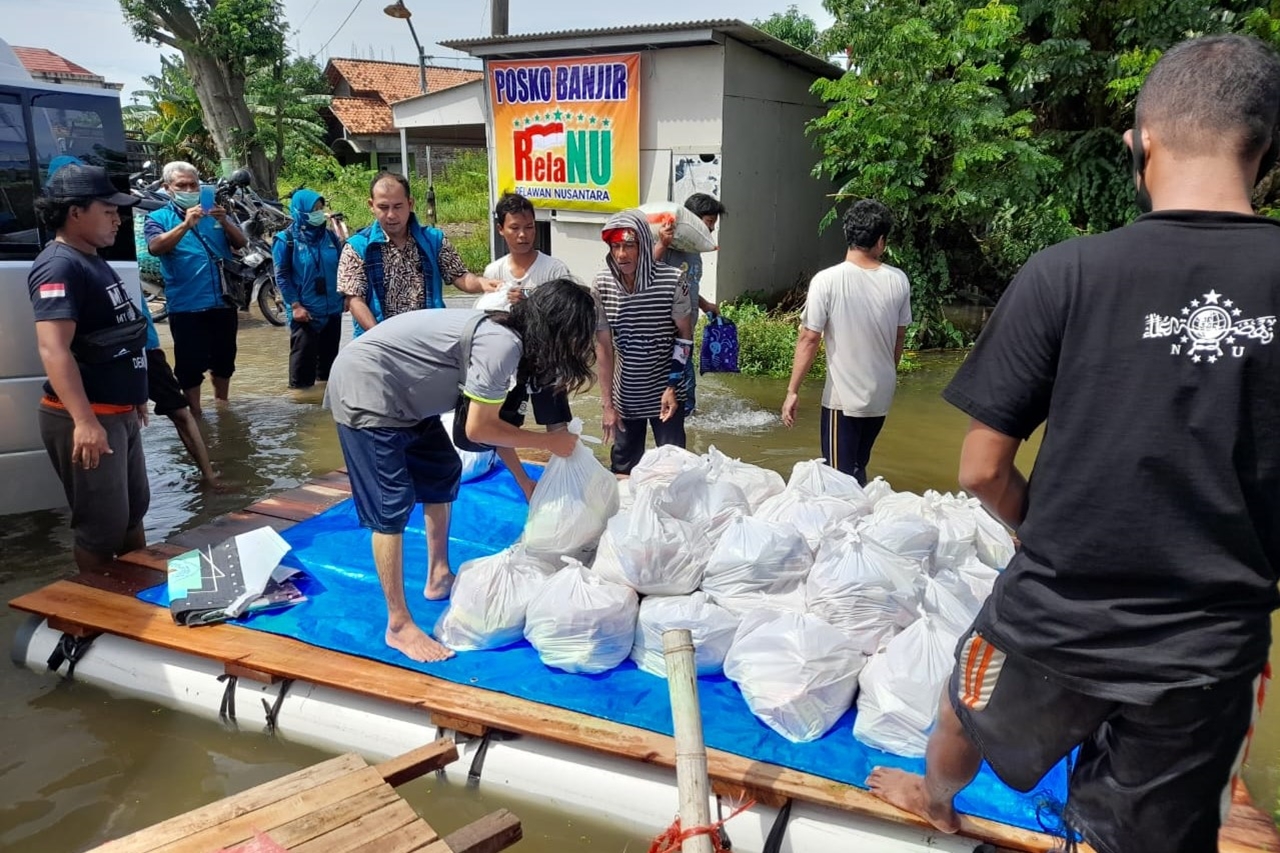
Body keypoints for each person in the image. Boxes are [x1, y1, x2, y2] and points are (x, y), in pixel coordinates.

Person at [866, 35, 1280, 853]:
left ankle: (936, 800)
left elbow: (981, 466)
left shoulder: (1068, 272)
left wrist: (1039, 526)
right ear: (1265, 148)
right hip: (1213, 636)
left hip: (1056, 605)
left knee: (964, 700)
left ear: (1143, 141)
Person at [325, 279, 598, 663]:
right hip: (367, 387)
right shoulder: (503, 345)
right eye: (575, 337)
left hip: (407, 396)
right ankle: (398, 625)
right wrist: (548, 442)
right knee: (391, 505)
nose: (576, 348)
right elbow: (478, 430)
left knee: (442, 468)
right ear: (557, 328)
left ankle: (438, 577)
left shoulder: (511, 342)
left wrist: (526, 484)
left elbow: (494, 424)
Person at [30, 164, 149, 572]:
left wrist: (134, 397)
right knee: (101, 530)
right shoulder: (59, 265)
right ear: (75, 212)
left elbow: (113, 336)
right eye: (108, 209)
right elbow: (54, 348)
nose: (118, 217)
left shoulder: (92, 259)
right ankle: (98, 621)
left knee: (132, 516)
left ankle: (139, 598)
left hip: (116, 414)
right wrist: (84, 421)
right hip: (87, 418)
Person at [781, 199, 911, 486]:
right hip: (881, 393)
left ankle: (848, 527)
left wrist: (792, 391)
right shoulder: (899, 280)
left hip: (844, 398)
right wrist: (886, 373)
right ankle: (861, 521)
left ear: (848, 235)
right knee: (857, 465)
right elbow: (899, 336)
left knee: (838, 476)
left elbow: (809, 337)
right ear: (881, 241)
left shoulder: (827, 280)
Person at [481, 192, 572, 500]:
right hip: (508, 365)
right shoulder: (494, 273)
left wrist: (530, 303)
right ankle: (524, 482)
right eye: (515, 227)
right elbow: (484, 319)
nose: (523, 234)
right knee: (499, 425)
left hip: (546, 360)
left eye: (530, 227)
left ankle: (564, 483)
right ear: (501, 229)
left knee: (557, 424)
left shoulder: (554, 269)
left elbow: (567, 316)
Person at [592, 209, 694, 476]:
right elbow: (603, 347)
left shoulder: (672, 280)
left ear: (645, 247)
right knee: (623, 467)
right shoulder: (602, 284)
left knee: (674, 468)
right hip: (625, 394)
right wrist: (608, 405)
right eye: (616, 246)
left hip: (667, 392)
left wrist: (672, 385)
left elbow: (684, 336)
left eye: (629, 246)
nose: (622, 254)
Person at [144, 161, 248, 417]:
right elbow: (155, 247)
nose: (189, 189)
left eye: (194, 184)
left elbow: (241, 242)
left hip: (222, 301)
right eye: (182, 185)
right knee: (190, 366)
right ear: (168, 188)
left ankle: (223, 406)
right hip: (186, 305)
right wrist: (185, 225)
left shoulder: (215, 212)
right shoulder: (158, 218)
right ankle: (196, 413)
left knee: (224, 361)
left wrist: (225, 222)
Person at [337, 172, 500, 334]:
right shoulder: (356, 247)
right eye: (383, 207)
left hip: (428, 338)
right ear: (371, 205)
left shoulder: (434, 239)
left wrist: (482, 283)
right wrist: (380, 336)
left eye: (398, 206)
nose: (391, 215)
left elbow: (459, 276)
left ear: (410, 204)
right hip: (377, 343)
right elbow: (355, 300)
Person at [656, 193, 726, 414]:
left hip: (686, 334)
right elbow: (646, 275)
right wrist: (662, 244)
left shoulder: (695, 252)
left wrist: (704, 304)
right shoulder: (668, 247)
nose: (712, 230)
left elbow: (687, 286)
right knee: (683, 389)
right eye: (708, 224)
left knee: (685, 385)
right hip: (668, 334)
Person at [137, 295, 218, 483]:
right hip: (107, 351)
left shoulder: (126, 265)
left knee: (181, 413)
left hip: (147, 346)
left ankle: (210, 477)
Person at [273, 189, 348, 389]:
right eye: (313, 209)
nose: (318, 213)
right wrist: (295, 305)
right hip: (305, 314)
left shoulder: (330, 237)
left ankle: (323, 414)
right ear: (299, 211)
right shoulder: (286, 240)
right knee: (301, 382)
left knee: (328, 375)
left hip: (333, 311)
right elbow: (282, 276)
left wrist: (346, 297)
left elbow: (343, 267)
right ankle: (303, 414)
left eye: (320, 208)